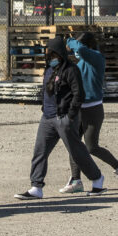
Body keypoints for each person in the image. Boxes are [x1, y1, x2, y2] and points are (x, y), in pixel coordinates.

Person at [15, 36, 106, 200]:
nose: (51, 57)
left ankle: (97, 179)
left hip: (64, 118)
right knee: (40, 151)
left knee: (77, 152)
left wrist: (70, 116)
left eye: (53, 54)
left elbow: (79, 94)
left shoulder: (71, 70)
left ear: (61, 54)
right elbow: (45, 90)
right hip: (47, 118)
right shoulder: (49, 69)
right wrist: (44, 107)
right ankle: (36, 187)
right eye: (49, 54)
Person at [59, 32, 118, 193]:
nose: (75, 53)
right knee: (74, 144)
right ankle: (76, 179)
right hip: (79, 109)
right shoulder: (80, 64)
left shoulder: (97, 58)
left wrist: (69, 40)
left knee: (92, 147)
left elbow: (81, 49)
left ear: (88, 46)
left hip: (93, 109)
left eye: (78, 48)